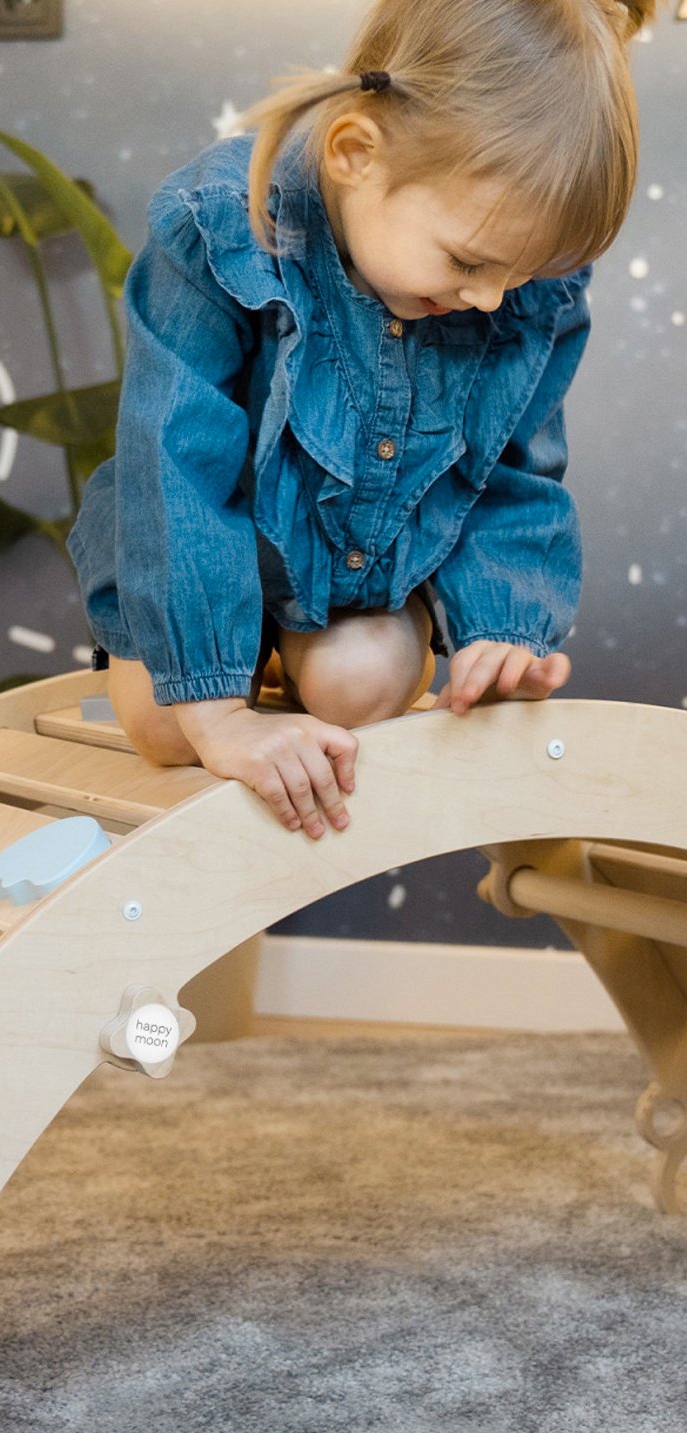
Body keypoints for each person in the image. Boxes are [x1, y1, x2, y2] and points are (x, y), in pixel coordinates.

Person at [67, 0, 658, 837]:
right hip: (201, 543)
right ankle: (227, 663)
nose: (491, 297)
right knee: (169, 726)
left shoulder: (521, 289)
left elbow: (515, 468)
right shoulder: (217, 226)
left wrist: (501, 630)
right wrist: (215, 711)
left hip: (357, 569)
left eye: (520, 277)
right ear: (355, 154)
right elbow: (175, 468)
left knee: (362, 685)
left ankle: (308, 659)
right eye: (470, 262)